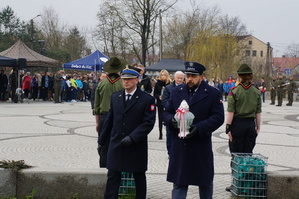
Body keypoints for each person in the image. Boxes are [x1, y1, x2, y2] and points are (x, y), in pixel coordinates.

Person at [163, 61, 224, 199]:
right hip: (180, 146)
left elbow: (218, 117)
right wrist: (170, 120)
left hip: (200, 145)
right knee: (179, 183)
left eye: (193, 76)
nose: (189, 79)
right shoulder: (176, 91)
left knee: (205, 184)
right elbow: (166, 111)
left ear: (201, 77)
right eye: (188, 75)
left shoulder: (212, 93)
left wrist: (200, 128)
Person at [98, 65, 156, 199]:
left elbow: (148, 123)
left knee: (139, 177)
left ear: (137, 80)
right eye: (124, 79)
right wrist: (101, 141)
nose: (126, 82)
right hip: (116, 144)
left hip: (135, 146)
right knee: (112, 177)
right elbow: (109, 121)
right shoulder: (115, 97)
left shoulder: (147, 99)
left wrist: (133, 137)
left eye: (129, 79)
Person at [225, 64, 262, 192]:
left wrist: (228, 127)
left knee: (236, 155)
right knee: (248, 155)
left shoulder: (234, 91)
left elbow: (231, 112)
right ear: (250, 76)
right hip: (250, 125)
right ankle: (246, 183)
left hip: (237, 125)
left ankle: (235, 182)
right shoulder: (256, 91)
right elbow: (258, 112)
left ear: (239, 76)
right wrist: (258, 128)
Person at [94, 57, 126, 168]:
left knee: (104, 146)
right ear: (119, 70)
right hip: (119, 117)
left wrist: (97, 122)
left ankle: (103, 171)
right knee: (119, 145)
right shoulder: (123, 84)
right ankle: (117, 170)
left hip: (104, 116)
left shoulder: (101, 84)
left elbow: (96, 106)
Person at [162, 71, 185, 155]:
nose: (179, 80)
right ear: (174, 78)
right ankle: (170, 152)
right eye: (178, 78)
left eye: (181, 78)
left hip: (183, 115)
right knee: (170, 135)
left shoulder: (186, 88)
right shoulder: (168, 88)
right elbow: (164, 101)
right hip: (172, 114)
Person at [154, 69, 171, 140]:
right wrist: (158, 96)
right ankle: (160, 133)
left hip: (167, 102)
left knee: (167, 117)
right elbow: (155, 93)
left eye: (164, 75)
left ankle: (168, 131)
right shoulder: (157, 83)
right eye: (162, 75)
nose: (163, 76)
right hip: (160, 103)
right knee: (160, 117)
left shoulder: (169, 83)